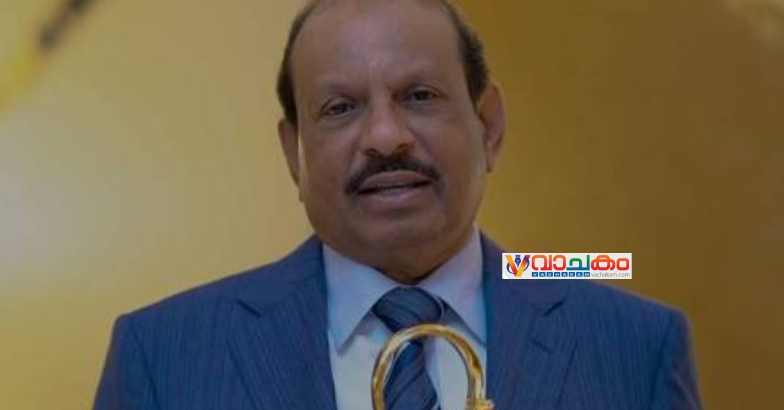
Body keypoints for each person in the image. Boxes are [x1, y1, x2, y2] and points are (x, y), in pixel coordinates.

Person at [94, 1, 702, 409]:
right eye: (340, 108)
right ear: (292, 151)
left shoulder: (635, 346)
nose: (386, 137)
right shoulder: (164, 357)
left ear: (489, 126)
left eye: (419, 96)